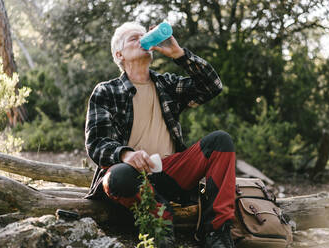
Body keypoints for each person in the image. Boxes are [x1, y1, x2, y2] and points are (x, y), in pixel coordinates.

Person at [84, 22, 236, 248]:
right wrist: (125, 155)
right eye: (133, 38)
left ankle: (216, 232)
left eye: (144, 36)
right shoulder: (106, 91)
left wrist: (180, 54)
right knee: (117, 176)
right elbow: (96, 143)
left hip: (171, 172)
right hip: (131, 178)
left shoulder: (166, 84)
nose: (142, 40)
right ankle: (160, 221)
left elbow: (212, 86)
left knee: (221, 141)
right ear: (119, 54)